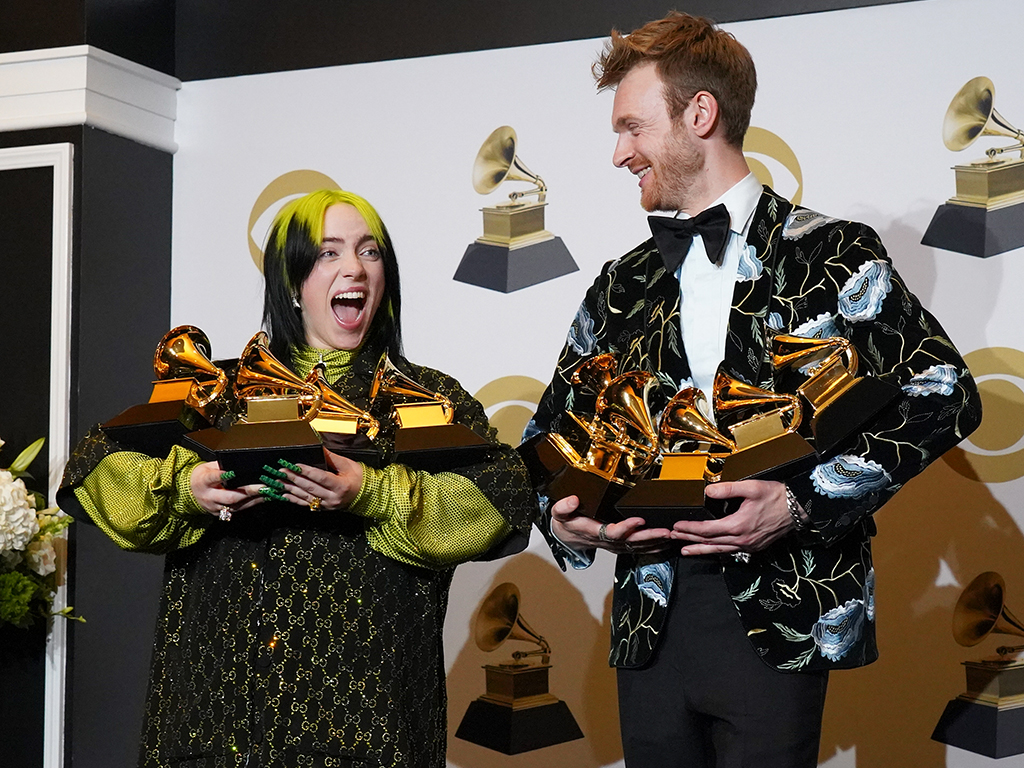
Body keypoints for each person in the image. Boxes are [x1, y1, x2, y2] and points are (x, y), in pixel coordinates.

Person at [525, 12, 982, 768]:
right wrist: (571, 524)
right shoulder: (620, 285)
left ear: (700, 114)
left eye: (633, 127)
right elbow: (544, 440)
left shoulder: (831, 252)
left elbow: (944, 393)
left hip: (781, 607)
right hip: (649, 619)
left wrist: (802, 501)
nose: (619, 153)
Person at [58, 190, 536, 768]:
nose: (354, 267)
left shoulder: (427, 399)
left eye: (369, 252)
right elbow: (95, 466)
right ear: (292, 282)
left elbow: (501, 496)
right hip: (211, 729)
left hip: (369, 731)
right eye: (329, 253)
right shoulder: (218, 393)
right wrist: (187, 489)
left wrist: (370, 492)